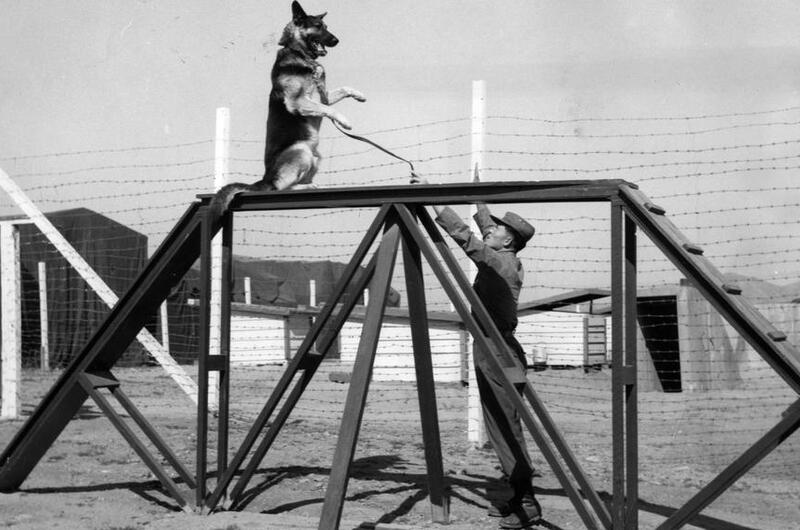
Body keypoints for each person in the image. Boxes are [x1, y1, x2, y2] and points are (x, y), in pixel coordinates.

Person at [410, 172, 541, 529]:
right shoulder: (504, 250)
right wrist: (477, 194)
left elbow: (469, 240)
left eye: (496, 228)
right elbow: (483, 226)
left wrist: (434, 197)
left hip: (498, 351)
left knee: (505, 430)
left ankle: (526, 503)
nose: (490, 229)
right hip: (490, 349)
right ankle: (520, 495)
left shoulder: (502, 262)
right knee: (498, 427)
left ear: (508, 239)